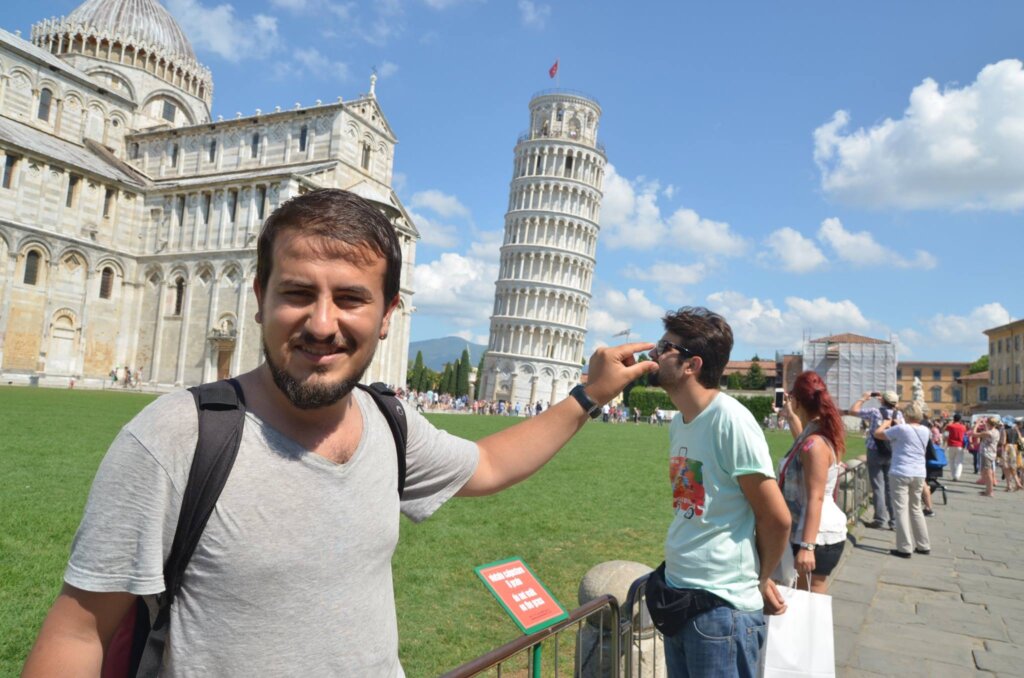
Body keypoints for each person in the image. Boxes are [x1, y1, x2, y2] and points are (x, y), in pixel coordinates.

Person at [22, 189, 657, 677]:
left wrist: (589, 395)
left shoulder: (389, 424)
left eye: (351, 298)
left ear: (388, 315)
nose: (322, 324)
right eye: (298, 292)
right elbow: (79, 634)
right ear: (260, 296)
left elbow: (488, 464)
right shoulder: (175, 438)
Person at [646, 307, 791, 678]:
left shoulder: (731, 420)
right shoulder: (680, 421)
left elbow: (775, 517)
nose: (652, 353)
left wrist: (760, 580)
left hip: (720, 611)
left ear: (691, 365)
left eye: (664, 347)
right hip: (680, 595)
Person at [778, 371, 848, 593]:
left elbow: (815, 497)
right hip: (816, 529)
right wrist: (791, 415)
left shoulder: (815, 444)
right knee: (806, 602)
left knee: (808, 603)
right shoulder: (819, 434)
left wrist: (807, 546)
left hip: (815, 534)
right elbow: (801, 443)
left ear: (798, 401)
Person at [875, 401, 931, 558]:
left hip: (901, 471)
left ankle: (904, 547)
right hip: (919, 473)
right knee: (916, 508)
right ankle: (923, 544)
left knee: (901, 509)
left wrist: (886, 423)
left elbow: (878, 434)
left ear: (906, 415)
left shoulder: (901, 429)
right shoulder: (926, 430)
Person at [850, 391, 903, 530]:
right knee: (890, 488)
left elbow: (853, 411)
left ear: (883, 401)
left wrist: (863, 398)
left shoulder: (875, 412)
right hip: (891, 452)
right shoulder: (899, 414)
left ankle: (880, 519)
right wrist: (886, 401)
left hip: (874, 450)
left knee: (878, 487)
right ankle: (894, 521)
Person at [971, 416, 1001, 497]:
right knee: (988, 472)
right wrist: (985, 424)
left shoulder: (988, 433)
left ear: (989, 423)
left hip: (986, 453)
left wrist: (977, 424)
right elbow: (988, 431)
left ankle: (990, 491)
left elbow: (974, 434)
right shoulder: (996, 431)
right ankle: (988, 490)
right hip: (992, 453)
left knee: (988, 473)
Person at [1000, 418, 1022, 492]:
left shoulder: (1005, 430)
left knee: (1006, 468)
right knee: (1012, 467)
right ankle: (1017, 483)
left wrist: (999, 443)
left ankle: (1009, 485)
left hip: (1007, 448)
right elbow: (1020, 439)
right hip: (1014, 448)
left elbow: (1003, 442)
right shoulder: (1015, 430)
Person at [943, 413, 967, 481]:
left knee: (951, 461)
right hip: (960, 445)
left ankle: (953, 475)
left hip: (951, 445)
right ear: (960, 419)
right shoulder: (963, 427)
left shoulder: (950, 426)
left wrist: (949, 423)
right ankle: (957, 475)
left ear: (954, 419)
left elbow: (944, 431)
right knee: (959, 461)